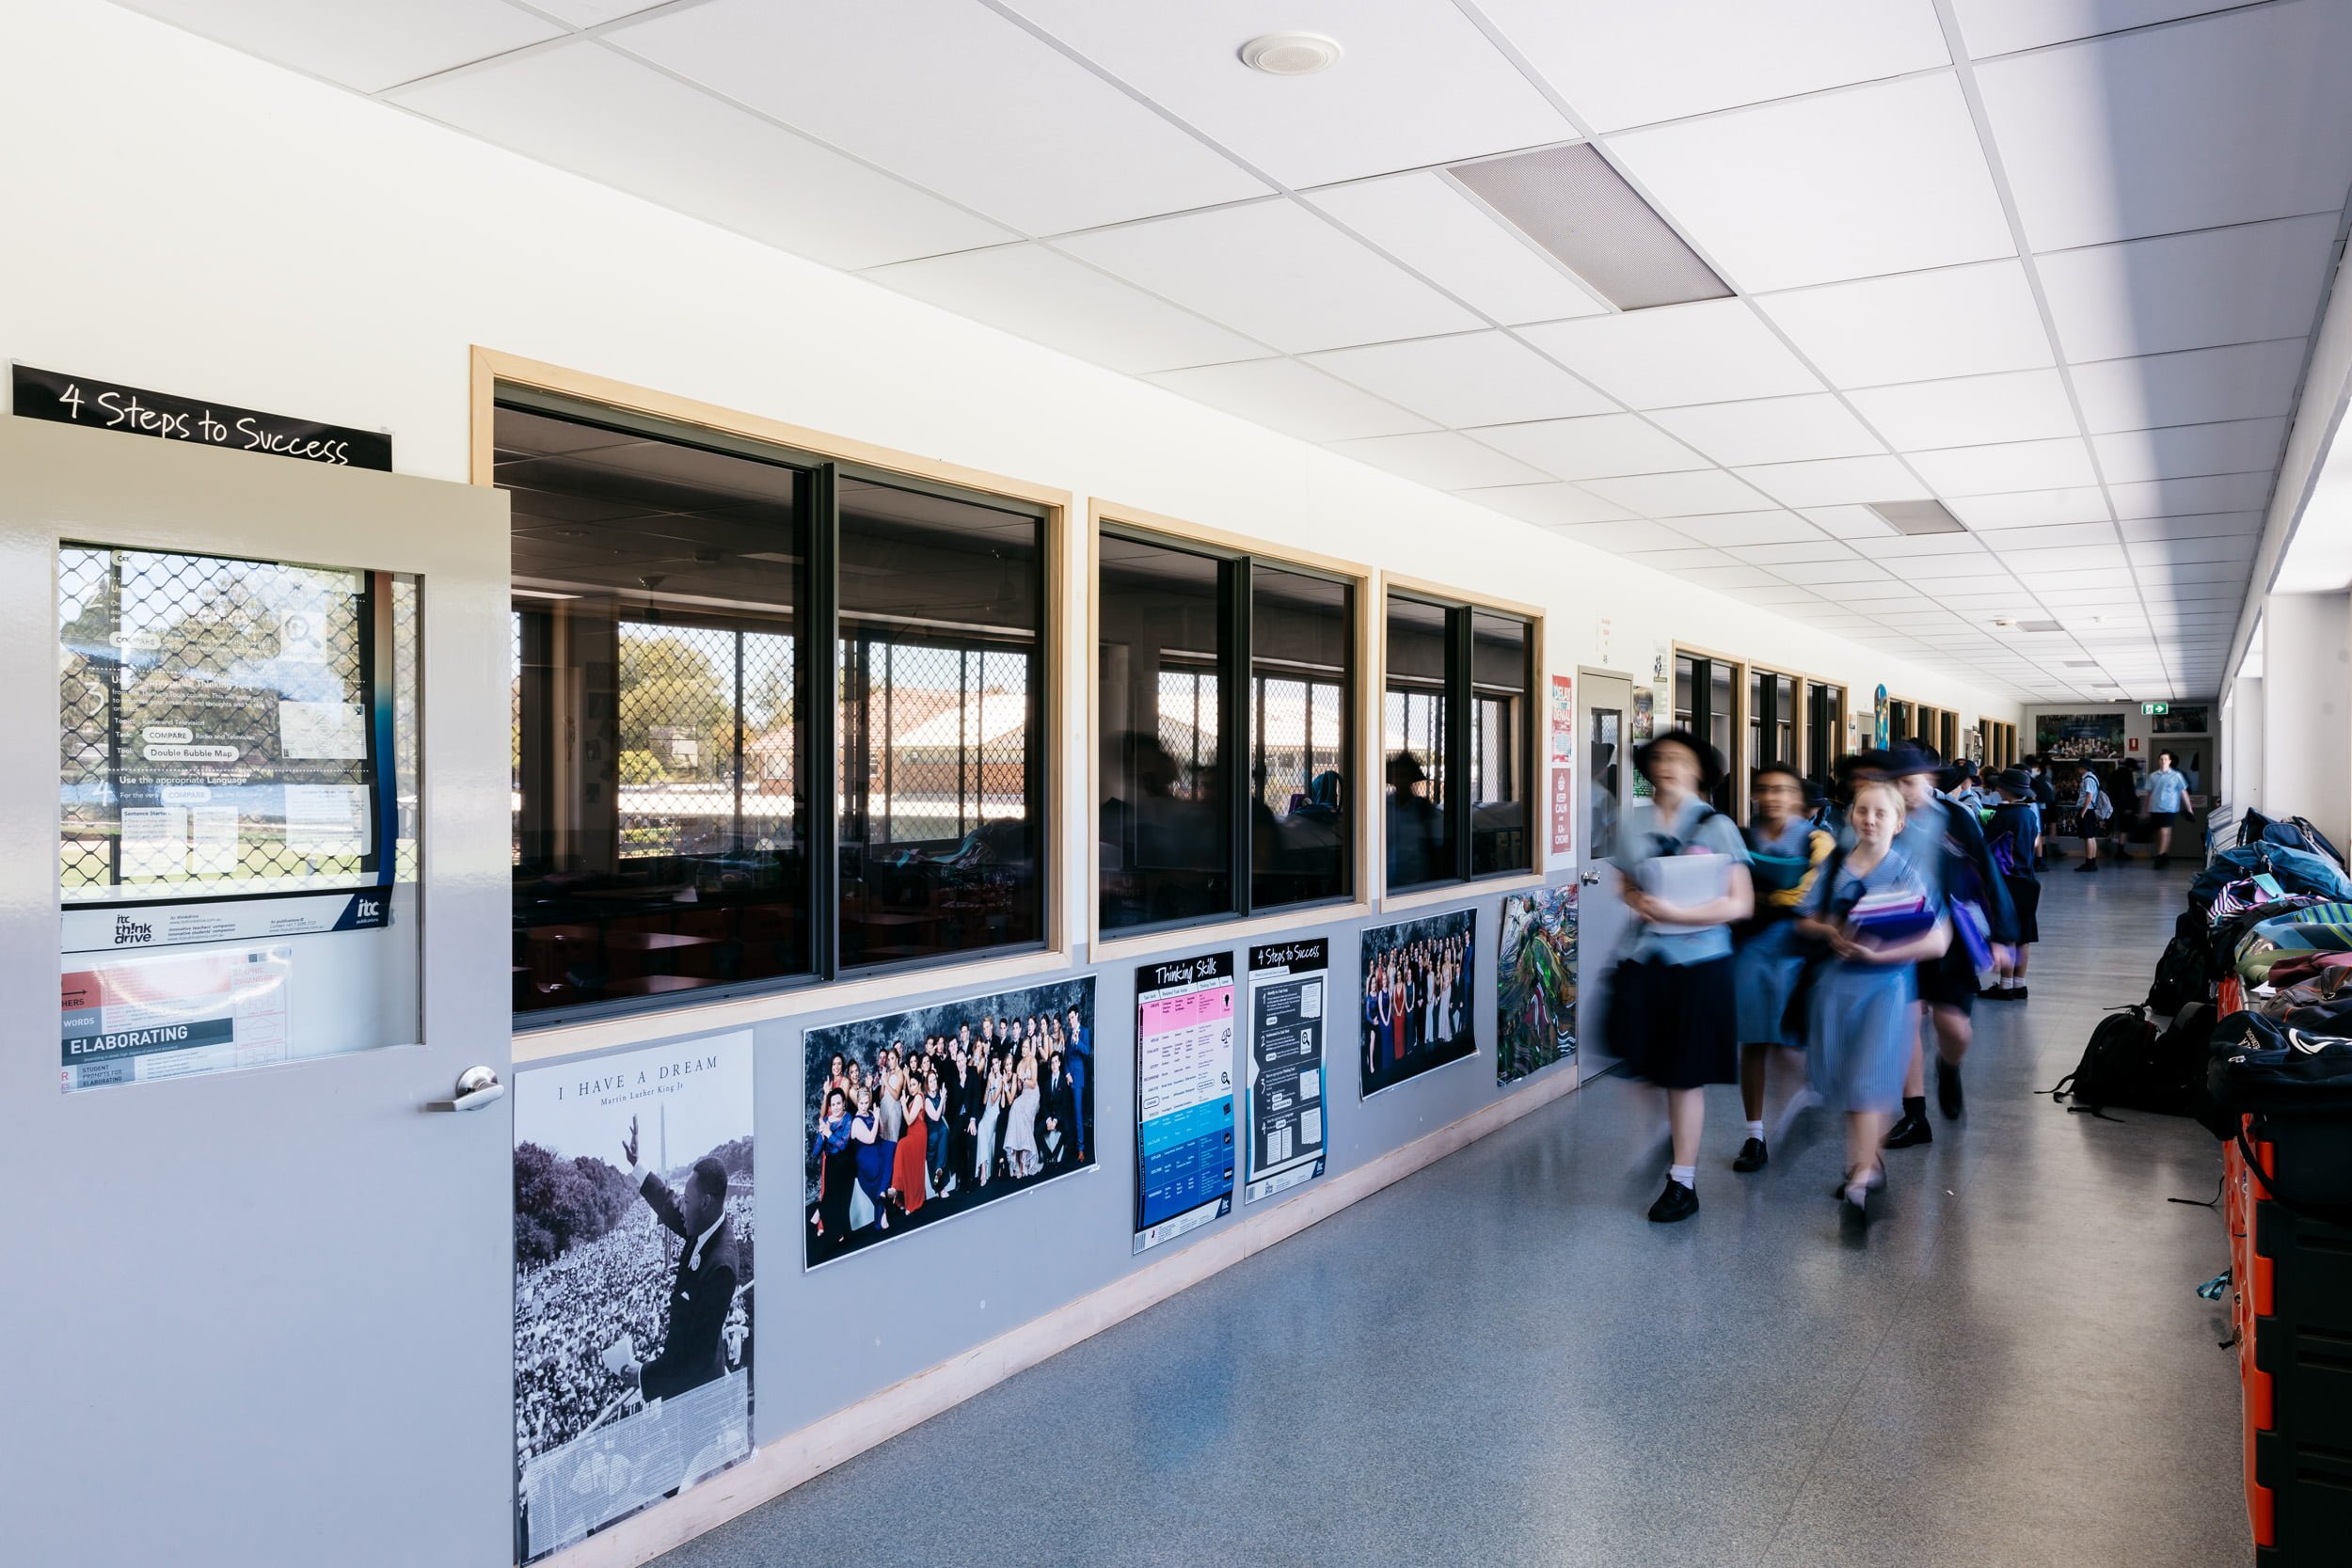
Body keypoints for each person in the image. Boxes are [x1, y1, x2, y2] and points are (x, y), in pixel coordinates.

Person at [1608, 728, 1756, 1224]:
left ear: (1699, 769)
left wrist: (1677, 912)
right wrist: (1638, 901)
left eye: (1680, 758)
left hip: (1701, 964)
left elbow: (1741, 902)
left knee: (1684, 1075)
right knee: (1641, 1062)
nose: (1668, 766)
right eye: (1660, 758)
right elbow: (1626, 881)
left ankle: (1683, 1181)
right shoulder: (1634, 824)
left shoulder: (1718, 827)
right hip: (1647, 961)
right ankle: (1666, 1135)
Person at [1793, 779, 1950, 1221]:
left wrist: (1881, 952)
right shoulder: (1835, 864)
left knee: (1871, 1080)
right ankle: (1865, 1163)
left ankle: (1861, 1174)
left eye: (1881, 813)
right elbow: (1805, 919)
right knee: (1848, 1080)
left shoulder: (1907, 871)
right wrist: (1831, 933)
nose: (1870, 820)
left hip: (1886, 990)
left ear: (1899, 822)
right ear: (1851, 816)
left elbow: (1938, 940)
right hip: (1836, 989)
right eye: (1863, 811)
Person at [1887, 744, 2016, 1140]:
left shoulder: (1957, 819)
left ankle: (1950, 1065)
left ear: (1928, 779)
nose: (1904, 790)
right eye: (1896, 782)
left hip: (1953, 938)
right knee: (1907, 1023)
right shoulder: (1881, 818)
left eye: (1910, 781)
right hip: (1901, 935)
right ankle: (1915, 1115)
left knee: (1954, 1028)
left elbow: (1989, 874)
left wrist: (2002, 934)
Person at [1732, 762, 1835, 1172]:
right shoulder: (1741, 837)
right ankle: (1754, 1134)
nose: (1773, 797)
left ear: (1798, 799)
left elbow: (1816, 896)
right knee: (1754, 1042)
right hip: (1751, 950)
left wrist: (1769, 896)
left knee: (1791, 1041)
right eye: (1765, 789)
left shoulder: (1816, 841)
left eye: (1782, 790)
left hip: (1798, 951)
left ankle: (1802, 1106)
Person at [616, 1115, 739, 1400]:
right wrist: (637, 1166)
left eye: (687, 1201)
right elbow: (667, 1202)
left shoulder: (720, 1265)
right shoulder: (706, 1224)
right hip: (686, 1380)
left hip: (696, 1391)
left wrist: (644, 1376)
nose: (681, 1208)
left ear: (706, 1203)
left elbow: (695, 1358)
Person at [1983, 768, 2042, 1000]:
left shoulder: (2005, 815)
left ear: (2008, 790)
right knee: (2024, 935)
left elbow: (1985, 844)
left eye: (2000, 786)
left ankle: (2005, 985)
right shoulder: (2029, 815)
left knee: (2006, 933)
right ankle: (2020, 983)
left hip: (2007, 882)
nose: (1997, 789)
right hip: (2027, 879)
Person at [809, 1087, 858, 1249]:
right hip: (832, 1164)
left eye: (839, 1103)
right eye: (833, 1104)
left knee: (841, 1166)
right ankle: (842, 1233)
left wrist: (829, 1133)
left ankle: (819, 1211)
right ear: (830, 1105)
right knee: (837, 1193)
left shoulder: (848, 1118)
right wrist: (822, 1135)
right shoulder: (826, 1121)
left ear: (844, 1104)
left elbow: (843, 1145)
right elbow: (815, 1152)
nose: (836, 1107)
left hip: (846, 1160)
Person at [2143, 750, 2191, 869]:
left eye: (2165, 759)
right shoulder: (2153, 776)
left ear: (2169, 761)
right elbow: (2148, 794)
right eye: (2161, 759)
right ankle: (2163, 854)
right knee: (2160, 833)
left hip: (2170, 808)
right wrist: (2145, 810)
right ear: (2158, 761)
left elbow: (2183, 792)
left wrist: (2189, 808)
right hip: (2155, 808)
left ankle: (2160, 856)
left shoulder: (2176, 776)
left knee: (2165, 831)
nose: (2163, 761)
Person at [1004, 1062, 1041, 1179]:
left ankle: (1023, 1163)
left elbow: (1033, 1084)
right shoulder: (1019, 1064)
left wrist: (1024, 1079)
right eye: (1023, 1047)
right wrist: (1020, 1083)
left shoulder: (1033, 1062)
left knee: (1022, 1114)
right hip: (1024, 1095)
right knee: (1015, 1107)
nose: (1024, 1049)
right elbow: (1021, 1088)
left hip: (1033, 1095)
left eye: (1026, 1047)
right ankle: (1017, 1159)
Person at [2074, 764, 2108, 873]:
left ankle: (2089, 863)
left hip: (2087, 810)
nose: (2078, 768)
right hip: (2091, 810)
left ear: (2084, 767)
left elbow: (2089, 796)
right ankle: (2092, 861)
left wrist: (2083, 811)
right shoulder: (2093, 778)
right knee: (2091, 836)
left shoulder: (2088, 779)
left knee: (2088, 837)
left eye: (2079, 766)